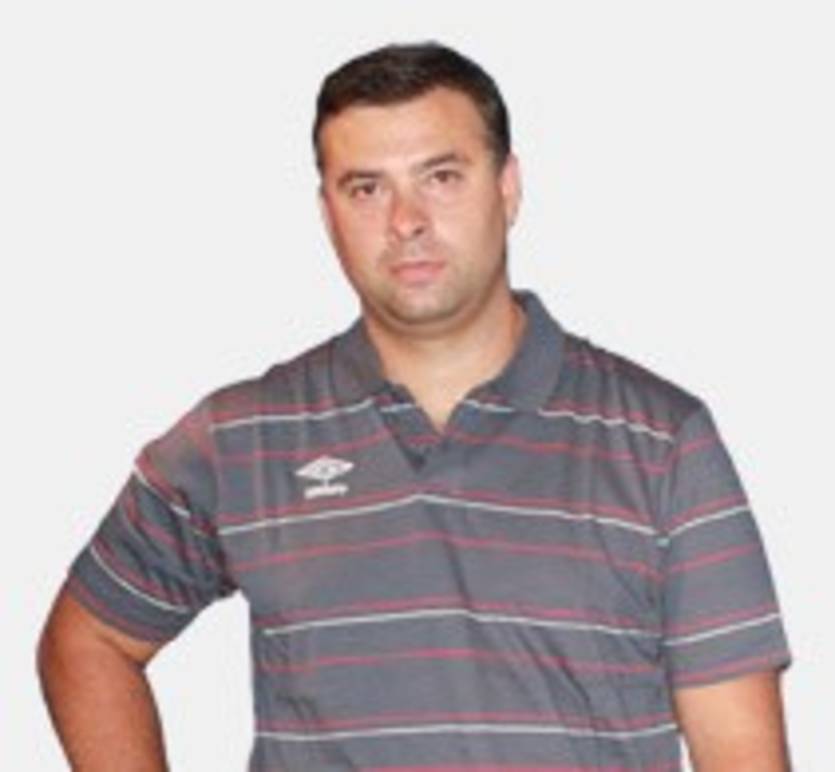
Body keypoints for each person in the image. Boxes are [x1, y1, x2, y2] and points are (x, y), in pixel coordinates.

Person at [38, 42, 792, 770]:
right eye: (366, 189)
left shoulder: (661, 442)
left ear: (507, 187)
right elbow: (87, 643)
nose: (405, 221)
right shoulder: (239, 440)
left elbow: (740, 754)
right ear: (327, 211)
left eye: (441, 177)